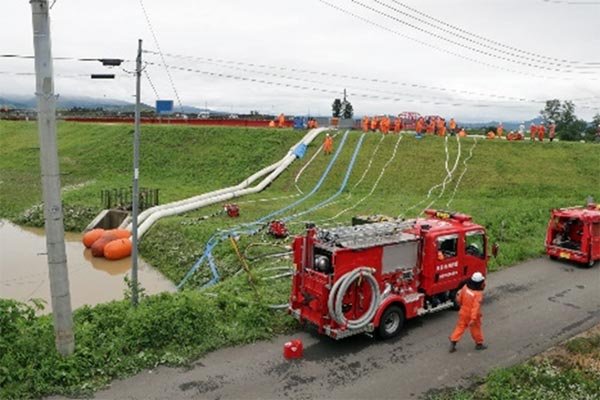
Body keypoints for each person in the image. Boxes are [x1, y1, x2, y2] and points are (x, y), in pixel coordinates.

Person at [449, 272, 487, 352]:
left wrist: (462, 306)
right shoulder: (478, 294)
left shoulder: (465, 287)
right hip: (472, 315)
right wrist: (473, 319)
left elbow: (459, 298)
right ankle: (479, 344)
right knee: (476, 329)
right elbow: (475, 308)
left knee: (460, 327)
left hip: (463, 312)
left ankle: (453, 341)